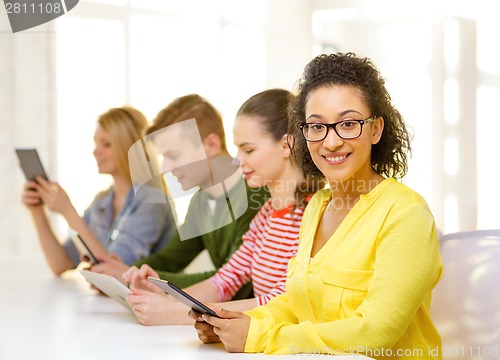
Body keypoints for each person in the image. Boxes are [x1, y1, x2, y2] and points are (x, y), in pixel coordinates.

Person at [191, 53, 444, 359]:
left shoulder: (405, 213)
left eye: (349, 123)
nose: (331, 141)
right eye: (316, 126)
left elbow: (377, 332)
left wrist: (259, 335)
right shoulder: (317, 207)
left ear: (376, 129)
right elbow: (298, 304)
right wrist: (235, 324)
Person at [123, 89, 325, 325]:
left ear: (286, 145)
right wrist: (171, 298)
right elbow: (224, 281)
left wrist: (175, 312)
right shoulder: (266, 215)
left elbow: (283, 301)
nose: (237, 160)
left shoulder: (315, 216)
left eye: (249, 150)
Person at [91, 95, 270, 300]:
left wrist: (143, 279)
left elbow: (234, 281)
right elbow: (171, 258)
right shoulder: (201, 201)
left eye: (173, 155)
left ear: (211, 144)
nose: (166, 168)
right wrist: (126, 271)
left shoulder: (256, 195)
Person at [21, 106, 177, 276]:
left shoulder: (152, 202)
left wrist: (67, 210)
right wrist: (37, 212)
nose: (95, 151)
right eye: (96, 142)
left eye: (107, 144)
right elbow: (61, 263)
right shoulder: (102, 202)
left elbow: (115, 272)